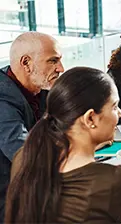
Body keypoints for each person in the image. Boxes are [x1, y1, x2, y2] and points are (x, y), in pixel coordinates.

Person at [5, 67, 121, 223]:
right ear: (90, 119)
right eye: (114, 106)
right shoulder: (115, 182)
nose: (120, 113)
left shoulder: (25, 156)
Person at [0, 31, 64, 221]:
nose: (61, 68)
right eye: (53, 61)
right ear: (26, 63)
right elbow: (27, 154)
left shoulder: (40, 87)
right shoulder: (3, 100)